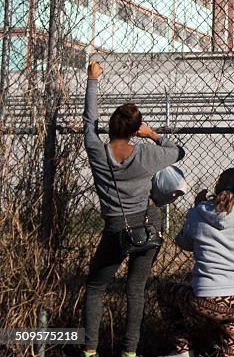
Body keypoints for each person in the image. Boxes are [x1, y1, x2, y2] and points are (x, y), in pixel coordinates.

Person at [81, 60, 185, 357]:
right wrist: (152, 135)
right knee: (135, 288)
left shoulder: (96, 150)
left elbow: (89, 123)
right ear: (135, 129)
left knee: (96, 286)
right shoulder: (147, 154)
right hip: (146, 226)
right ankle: (129, 352)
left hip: (116, 227)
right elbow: (179, 152)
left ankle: (90, 350)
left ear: (111, 126)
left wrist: (92, 80)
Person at [159, 167, 234, 357]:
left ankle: (182, 350)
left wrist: (194, 208)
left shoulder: (199, 212)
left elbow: (183, 242)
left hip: (206, 300)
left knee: (164, 291)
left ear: (216, 186)